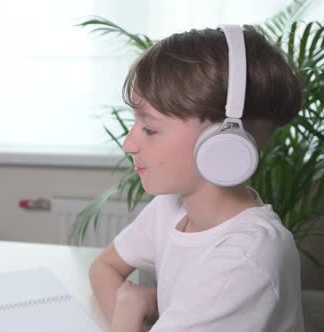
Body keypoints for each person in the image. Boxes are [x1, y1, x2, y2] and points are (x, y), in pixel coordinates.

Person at [89, 25, 304, 332]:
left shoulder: (244, 262)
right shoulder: (172, 209)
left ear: (222, 143)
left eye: (149, 129)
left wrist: (128, 309)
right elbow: (104, 267)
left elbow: (118, 291)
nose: (129, 144)